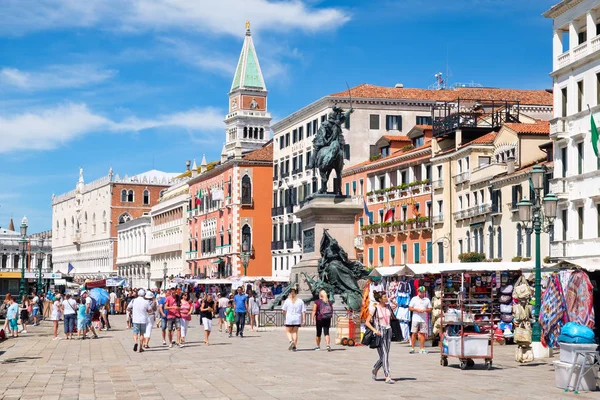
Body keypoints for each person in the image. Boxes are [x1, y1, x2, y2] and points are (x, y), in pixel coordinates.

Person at [365, 291, 394, 384]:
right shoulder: (375, 308)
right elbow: (367, 322)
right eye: (385, 297)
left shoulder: (388, 307)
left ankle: (375, 369)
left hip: (388, 331)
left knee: (385, 355)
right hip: (379, 332)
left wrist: (394, 303)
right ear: (380, 299)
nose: (386, 298)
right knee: (384, 355)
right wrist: (375, 330)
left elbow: (393, 317)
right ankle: (387, 376)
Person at [127, 289, 153, 353]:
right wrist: (146, 311)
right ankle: (140, 348)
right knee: (142, 334)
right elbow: (150, 310)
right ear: (144, 295)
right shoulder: (146, 302)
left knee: (135, 333)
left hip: (135, 319)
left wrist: (131, 311)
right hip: (143, 320)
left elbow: (128, 308)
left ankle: (136, 342)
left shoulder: (133, 301)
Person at [408, 286, 432, 354]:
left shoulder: (427, 300)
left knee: (423, 333)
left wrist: (425, 310)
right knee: (414, 333)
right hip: (415, 318)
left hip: (423, 319)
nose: (420, 293)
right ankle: (412, 347)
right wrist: (416, 309)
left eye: (421, 292)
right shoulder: (414, 299)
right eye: (419, 291)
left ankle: (421, 348)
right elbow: (410, 308)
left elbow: (430, 308)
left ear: (424, 292)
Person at [282, 285, 306, 352]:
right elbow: (303, 311)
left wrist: (285, 315)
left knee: (288, 331)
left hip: (289, 318)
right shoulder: (300, 301)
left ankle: (290, 341)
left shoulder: (287, 301)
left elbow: (283, 310)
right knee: (295, 332)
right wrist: (303, 320)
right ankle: (294, 346)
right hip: (297, 318)